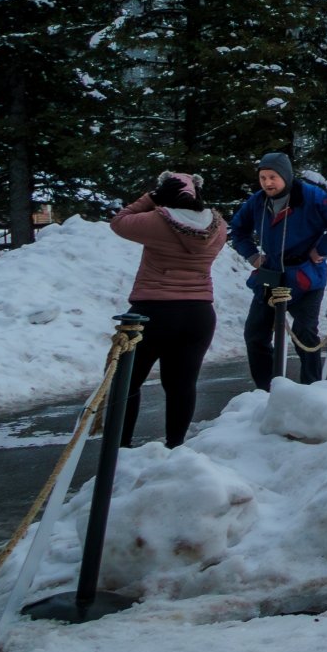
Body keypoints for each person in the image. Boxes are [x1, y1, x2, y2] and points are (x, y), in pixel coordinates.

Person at [108, 172, 227, 448]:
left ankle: (119, 448)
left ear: (165, 193)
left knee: (127, 382)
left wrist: (150, 198)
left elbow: (119, 222)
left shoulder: (156, 221)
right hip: (198, 313)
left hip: (152, 312)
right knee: (181, 384)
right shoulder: (218, 226)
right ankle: (175, 446)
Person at [229, 151, 327, 390]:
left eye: (273, 177)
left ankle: (312, 389)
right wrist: (252, 256)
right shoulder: (258, 201)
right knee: (255, 335)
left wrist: (322, 249)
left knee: (305, 332)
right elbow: (238, 230)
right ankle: (266, 390)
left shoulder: (311, 196)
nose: (267, 183)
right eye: (263, 177)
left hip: (305, 276)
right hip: (270, 276)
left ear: (286, 176)